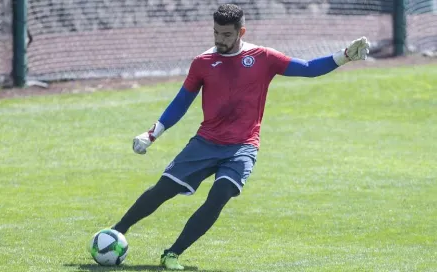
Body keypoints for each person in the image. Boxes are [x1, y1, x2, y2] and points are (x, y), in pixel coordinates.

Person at [111, 3, 370, 270]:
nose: (219, 40)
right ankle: (115, 233)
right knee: (163, 190)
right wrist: (152, 134)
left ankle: (172, 254)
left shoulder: (263, 57)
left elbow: (308, 68)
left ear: (240, 31)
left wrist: (345, 55)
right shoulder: (202, 63)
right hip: (205, 142)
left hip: (243, 147)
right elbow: (180, 103)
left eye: (226, 35)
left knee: (220, 194)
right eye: (216, 33)